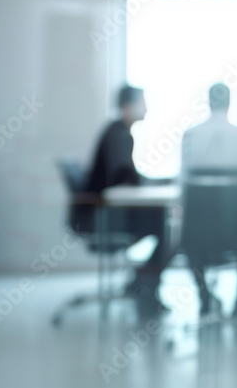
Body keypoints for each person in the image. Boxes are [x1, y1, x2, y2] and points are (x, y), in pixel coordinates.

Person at [181, 83, 237, 317]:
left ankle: (205, 298)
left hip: (198, 234)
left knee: (191, 250)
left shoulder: (191, 134)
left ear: (209, 102)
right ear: (229, 102)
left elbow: (183, 182)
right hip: (235, 231)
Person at [85, 85, 170, 318]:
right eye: (142, 103)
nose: (147, 109)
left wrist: (155, 181)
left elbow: (127, 176)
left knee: (166, 224)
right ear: (126, 107)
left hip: (110, 214)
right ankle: (145, 285)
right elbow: (123, 175)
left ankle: (142, 282)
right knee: (168, 227)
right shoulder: (118, 134)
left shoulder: (119, 132)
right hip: (105, 219)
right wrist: (153, 182)